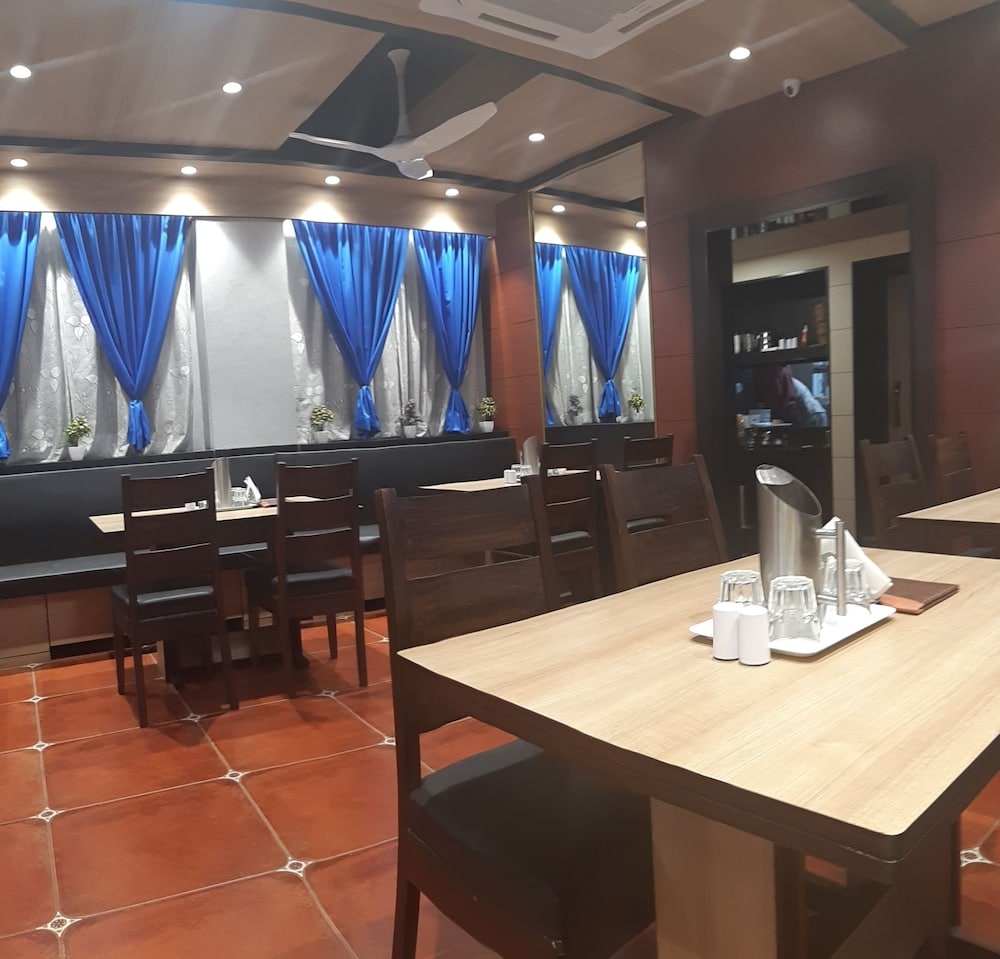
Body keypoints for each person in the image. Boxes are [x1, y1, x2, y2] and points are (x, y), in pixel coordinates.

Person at [753, 364, 828, 428]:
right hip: (814, 412)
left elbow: (784, 399)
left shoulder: (778, 378)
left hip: (812, 414)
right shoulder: (784, 378)